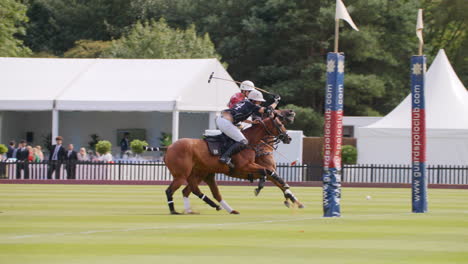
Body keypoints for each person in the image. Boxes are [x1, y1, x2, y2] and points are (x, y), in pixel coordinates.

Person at [216, 90, 280, 168]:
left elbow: (239, 116)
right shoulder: (251, 105)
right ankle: (225, 157)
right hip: (226, 122)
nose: (260, 103)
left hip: (222, 119)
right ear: (254, 100)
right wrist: (276, 101)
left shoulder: (244, 102)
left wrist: (251, 122)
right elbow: (268, 110)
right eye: (259, 101)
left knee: (235, 138)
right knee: (243, 141)